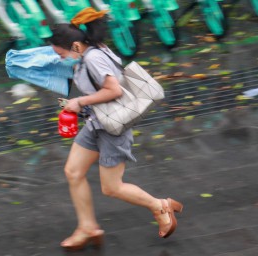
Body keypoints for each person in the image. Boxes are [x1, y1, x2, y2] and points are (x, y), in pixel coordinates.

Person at [49, 7, 183, 251]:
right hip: (96, 122)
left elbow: (114, 90)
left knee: (112, 187)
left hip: (113, 128)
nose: (62, 58)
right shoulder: (91, 49)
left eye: (62, 54)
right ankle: (87, 227)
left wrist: (80, 101)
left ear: (76, 47)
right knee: (73, 172)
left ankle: (160, 205)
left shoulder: (93, 57)